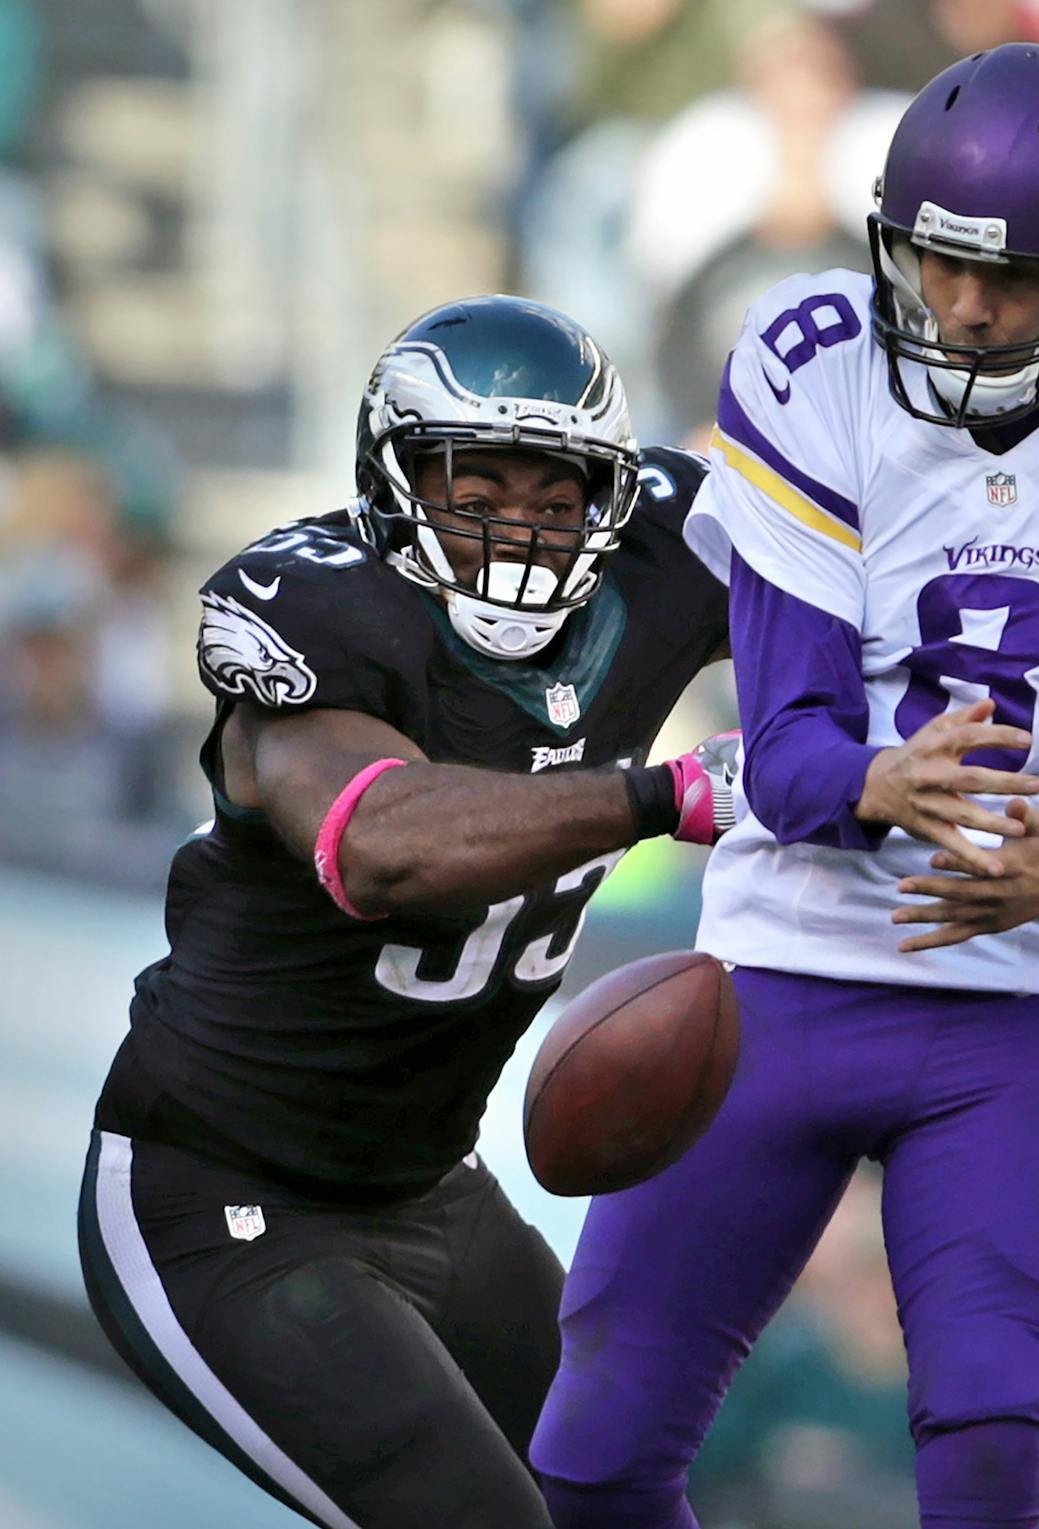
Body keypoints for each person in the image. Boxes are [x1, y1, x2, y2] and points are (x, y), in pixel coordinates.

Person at [530, 44, 1039, 1529]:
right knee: (594, 1451)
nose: (962, 305)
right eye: (936, 262)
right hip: (780, 970)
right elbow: (789, 741)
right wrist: (877, 785)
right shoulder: (815, 357)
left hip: (1020, 1012)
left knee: (985, 1440)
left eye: (1014, 280)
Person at [75, 295, 735, 1529]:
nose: (518, 530)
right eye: (473, 488)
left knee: (623, 1496)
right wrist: (663, 793)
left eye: (555, 496)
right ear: (392, 484)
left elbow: (884, 528)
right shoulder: (315, 611)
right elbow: (379, 845)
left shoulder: (660, 553)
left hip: (435, 1186)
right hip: (222, 1204)